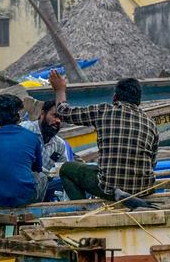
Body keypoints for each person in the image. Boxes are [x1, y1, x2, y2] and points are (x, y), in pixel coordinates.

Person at [52, 72, 159, 201]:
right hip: (143, 190)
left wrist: (59, 90)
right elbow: (152, 163)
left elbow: (64, 113)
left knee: (67, 169)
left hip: (110, 189)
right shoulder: (151, 123)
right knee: (98, 168)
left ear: (115, 98)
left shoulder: (104, 111)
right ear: (139, 101)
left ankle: (82, 208)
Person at [0, 94, 46, 207]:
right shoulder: (32, 137)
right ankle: (34, 211)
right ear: (18, 117)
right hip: (26, 198)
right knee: (42, 177)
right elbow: (37, 169)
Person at [21, 100, 76, 201]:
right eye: (55, 116)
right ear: (42, 114)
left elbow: (65, 168)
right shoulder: (26, 129)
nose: (58, 121)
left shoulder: (59, 144)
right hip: (22, 182)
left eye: (61, 118)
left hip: (42, 187)